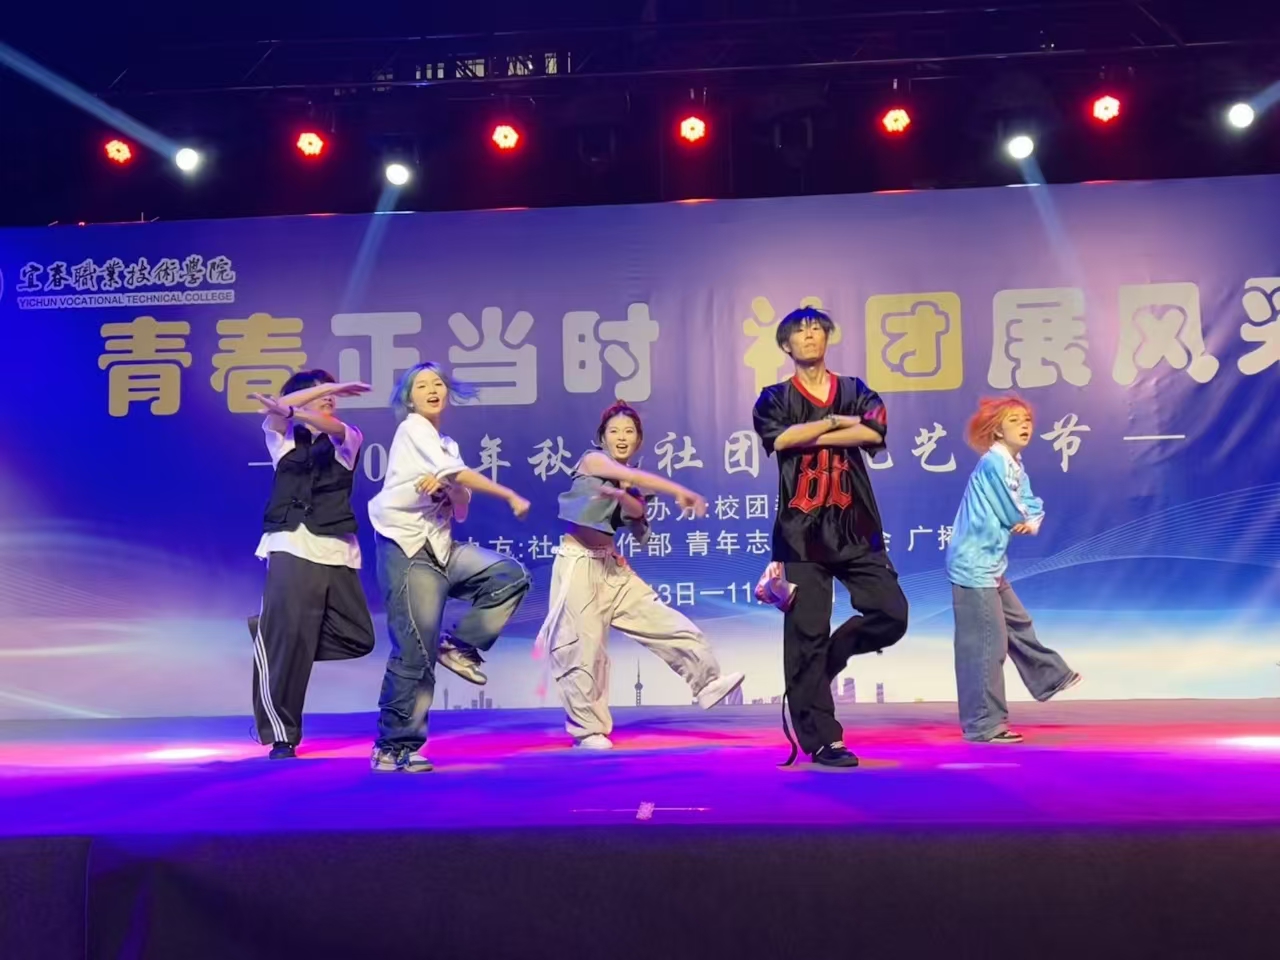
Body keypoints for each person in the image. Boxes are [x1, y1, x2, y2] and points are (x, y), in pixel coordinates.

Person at [535, 402, 746, 749]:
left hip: (612, 567)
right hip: (579, 566)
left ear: (638, 439)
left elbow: (636, 511)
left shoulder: (629, 480)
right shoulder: (592, 461)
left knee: (663, 621)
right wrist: (679, 491)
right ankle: (587, 730)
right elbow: (634, 481)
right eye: (614, 431)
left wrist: (621, 494)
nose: (621, 437)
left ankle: (707, 682)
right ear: (602, 436)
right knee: (583, 649)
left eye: (629, 432)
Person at [752, 307, 908, 768]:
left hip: (856, 526)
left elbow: (874, 431)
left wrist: (814, 432)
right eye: (799, 332)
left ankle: (831, 658)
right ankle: (823, 740)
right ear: (786, 345)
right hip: (800, 535)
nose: (809, 336)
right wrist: (838, 423)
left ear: (827, 338)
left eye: (817, 329)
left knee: (891, 614)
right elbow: (781, 440)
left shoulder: (856, 390)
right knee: (806, 635)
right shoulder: (773, 397)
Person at [367, 362, 532, 773]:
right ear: (409, 399)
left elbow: (459, 506)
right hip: (407, 549)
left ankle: (458, 645)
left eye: (438, 383)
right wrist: (508, 494)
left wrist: (449, 486)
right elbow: (457, 476)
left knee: (508, 575)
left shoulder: (445, 444)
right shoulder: (412, 429)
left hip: (441, 548)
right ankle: (393, 746)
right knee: (414, 651)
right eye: (421, 385)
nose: (432, 389)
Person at [246, 371, 377, 760]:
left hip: (336, 549)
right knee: (287, 645)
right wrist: (323, 390)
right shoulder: (283, 438)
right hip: (290, 545)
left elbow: (329, 425)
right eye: (317, 391)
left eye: (331, 392)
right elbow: (278, 412)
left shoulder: (347, 437)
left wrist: (312, 402)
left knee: (358, 637)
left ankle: (272, 635)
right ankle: (282, 735)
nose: (329, 397)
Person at [945, 396, 1081, 743]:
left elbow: (1030, 503)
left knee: (1017, 624)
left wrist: (1032, 519)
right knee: (985, 646)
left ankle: (1050, 675)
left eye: (1027, 420)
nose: (1024, 426)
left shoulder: (1013, 464)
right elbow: (1013, 507)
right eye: (1014, 420)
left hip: (990, 564)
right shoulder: (994, 463)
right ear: (996, 430)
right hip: (974, 565)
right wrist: (1028, 520)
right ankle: (984, 724)